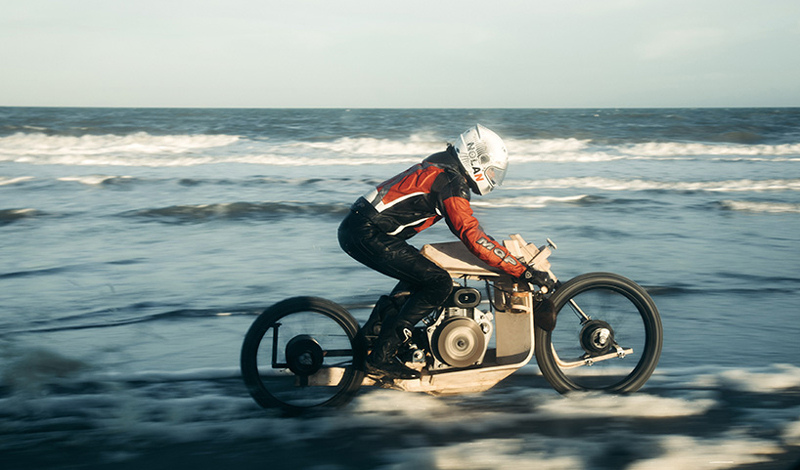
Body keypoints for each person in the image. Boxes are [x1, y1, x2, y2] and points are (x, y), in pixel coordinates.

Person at [338, 124, 552, 379]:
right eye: (492, 171)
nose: (493, 178)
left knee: (417, 279)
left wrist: (503, 257)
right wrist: (522, 271)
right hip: (368, 233)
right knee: (439, 283)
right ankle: (381, 358)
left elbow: (473, 232)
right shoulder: (450, 181)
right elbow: (472, 237)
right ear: (477, 160)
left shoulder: (441, 168)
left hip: (362, 229)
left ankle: (371, 339)